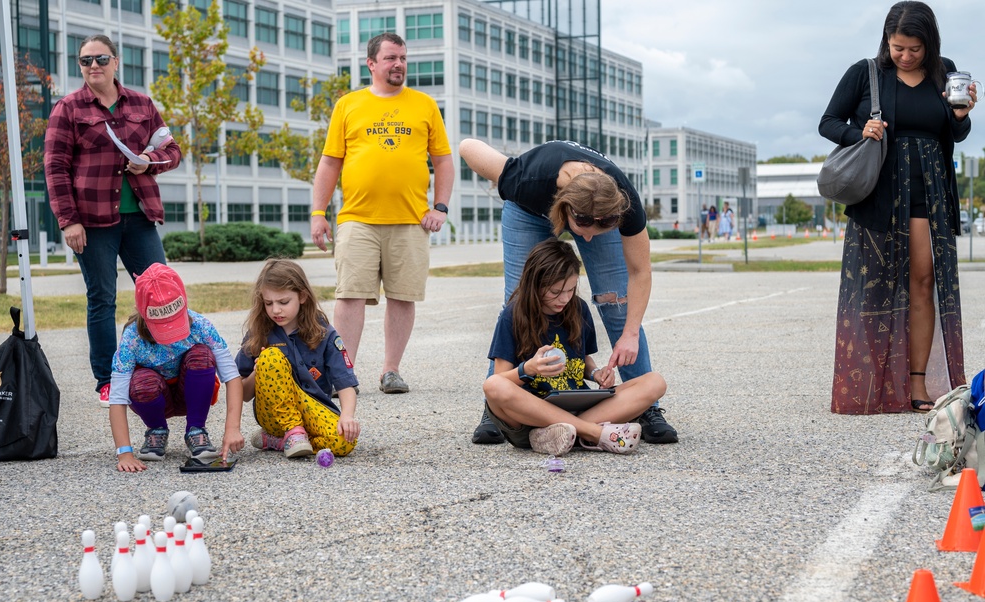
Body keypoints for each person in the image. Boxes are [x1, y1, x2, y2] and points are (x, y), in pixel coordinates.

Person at [458, 138, 678, 445]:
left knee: (615, 302)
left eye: (599, 229)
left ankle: (646, 411)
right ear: (566, 209)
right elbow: (468, 145)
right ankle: (496, 412)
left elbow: (640, 272)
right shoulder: (527, 178)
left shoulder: (624, 202)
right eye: (582, 227)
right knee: (520, 299)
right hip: (527, 209)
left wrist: (629, 334)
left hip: (593, 202)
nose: (587, 239)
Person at [819, 1, 975, 414]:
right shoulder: (866, 72)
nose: (904, 56)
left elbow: (954, 132)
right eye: (897, 47)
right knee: (874, 289)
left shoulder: (945, 71)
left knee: (923, 281)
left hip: (930, 192)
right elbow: (828, 121)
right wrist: (860, 131)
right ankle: (872, 383)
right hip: (879, 195)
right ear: (886, 41)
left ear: (930, 45)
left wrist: (961, 113)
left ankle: (918, 382)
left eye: (914, 49)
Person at [310, 32, 454, 395]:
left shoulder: (424, 105)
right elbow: (330, 163)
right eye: (391, 58)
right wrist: (318, 212)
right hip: (358, 217)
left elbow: (443, 161)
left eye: (403, 58)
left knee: (403, 296)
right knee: (349, 296)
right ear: (371, 63)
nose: (399, 64)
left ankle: (391, 370)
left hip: (410, 219)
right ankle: (344, 374)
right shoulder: (348, 105)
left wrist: (440, 207)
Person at [45, 34, 182, 408]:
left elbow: (173, 151)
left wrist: (149, 160)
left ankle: (169, 366)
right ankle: (108, 379)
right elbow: (55, 168)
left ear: (116, 62)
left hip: (139, 216)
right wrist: (68, 221)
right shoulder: (68, 109)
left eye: (101, 59)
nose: (94, 66)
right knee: (102, 299)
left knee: (161, 292)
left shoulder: (141, 103)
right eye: (86, 60)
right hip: (91, 222)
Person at [483, 239, 666, 455]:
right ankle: (593, 433)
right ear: (535, 284)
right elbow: (499, 379)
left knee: (655, 382)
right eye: (555, 292)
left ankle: (562, 433)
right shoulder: (512, 315)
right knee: (493, 387)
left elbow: (582, 360)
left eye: (570, 290)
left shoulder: (578, 308)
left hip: (578, 406)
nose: (564, 298)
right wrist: (529, 369)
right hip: (531, 416)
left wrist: (597, 373)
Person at [110, 264, 245, 473]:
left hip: (193, 394)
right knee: (142, 380)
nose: (170, 333)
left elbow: (232, 376)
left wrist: (232, 428)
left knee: (201, 354)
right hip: (153, 398)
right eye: (162, 326)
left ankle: (196, 430)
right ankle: (156, 429)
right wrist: (125, 453)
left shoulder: (200, 325)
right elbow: (117, 398)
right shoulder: (132, 339)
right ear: (143, 312)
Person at [236, 258, 360, 459]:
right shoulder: (259, 333)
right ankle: (291, 432)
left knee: (344, 442)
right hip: (273, 415)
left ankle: (277, 441)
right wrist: (260, 371)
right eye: (269, 303)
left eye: (283, 302)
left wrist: (347, 416)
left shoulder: (324, 334)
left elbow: (344, 382)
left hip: (311, 409)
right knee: (270, 358)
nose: (276, 310)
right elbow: (242, 393)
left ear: (302, 296)